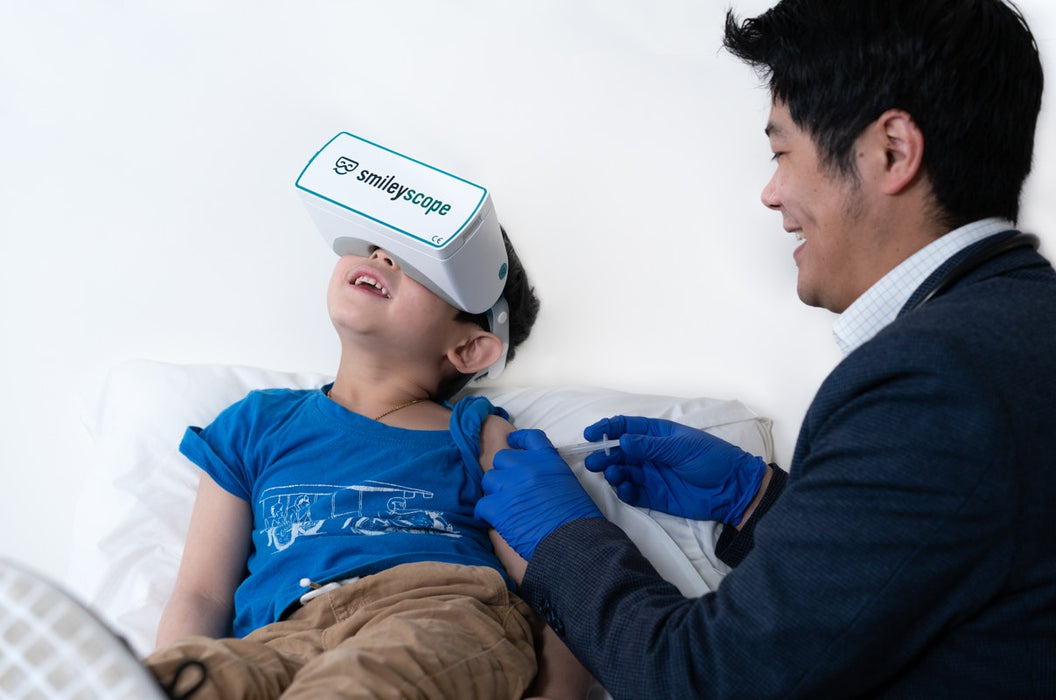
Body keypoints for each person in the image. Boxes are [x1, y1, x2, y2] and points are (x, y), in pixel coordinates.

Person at [475, 1, 1056, 697]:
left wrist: (561, 539)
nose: (770, 193)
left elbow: (707, 681)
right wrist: (761, 505)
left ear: (892, 152)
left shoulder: (935, 380)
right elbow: (943, 570)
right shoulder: (1024, 327)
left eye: (783, 153)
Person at [140, 228, 592, 699]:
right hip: (283, 636)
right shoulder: (255, 423)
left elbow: (552, 584)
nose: (381, 255)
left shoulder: (480, 434)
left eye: (423, 266)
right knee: (189, 680)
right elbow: (202, 592)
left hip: (437, 613)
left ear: (469, 348)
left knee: (356, 687)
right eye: (377, 246)